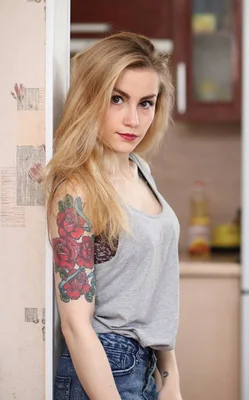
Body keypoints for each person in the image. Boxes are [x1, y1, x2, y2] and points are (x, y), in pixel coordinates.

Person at [45, 32, 182, 400]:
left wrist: (170, 382)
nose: (133, 119)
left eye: (146, 103)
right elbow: (76, 325)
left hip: (146, 365)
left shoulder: (139, 169)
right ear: (90, 98)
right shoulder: (76, 191)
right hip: (104, 367)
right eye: (117, 99)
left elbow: (155, 294)